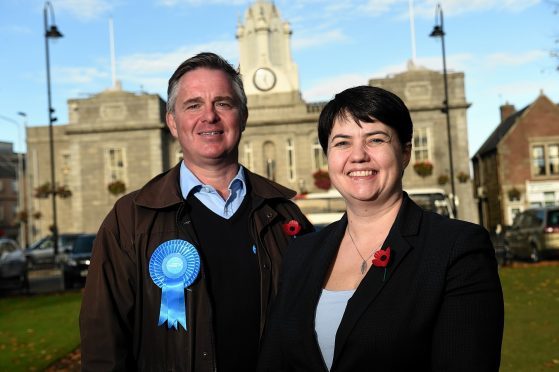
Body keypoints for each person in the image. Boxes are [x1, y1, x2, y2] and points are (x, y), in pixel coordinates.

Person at [80, 52, 312, 371]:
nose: (209, 116)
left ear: (242, 116)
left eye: (223, 103)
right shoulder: (129, 219)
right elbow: (103, 342)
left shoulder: (286, 214)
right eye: (193, 105)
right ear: (172, 122)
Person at [258, 85, 504, 371]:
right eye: (342, 143)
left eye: (375, 140)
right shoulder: (302, 252)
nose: (358, 155)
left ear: (404, 153)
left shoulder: (456, 249)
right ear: (328, 157)